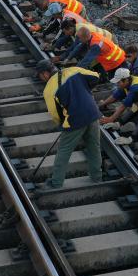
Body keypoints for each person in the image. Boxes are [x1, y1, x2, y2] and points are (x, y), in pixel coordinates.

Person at [36, 60, 103, 189]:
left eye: (39, 75)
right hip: (93, 113)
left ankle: (56, 182)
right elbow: (95, 77)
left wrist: (63, 124)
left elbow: (55, 114)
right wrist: (85, 91)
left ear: (45, 74)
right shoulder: (74, 70)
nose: (40, 78)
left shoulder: (49, 89)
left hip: (74, 119)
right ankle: (97, 177)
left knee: (64, 151)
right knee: (94, 147)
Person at [61, 26, 126, 83]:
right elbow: (79, 47)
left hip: (116, 61)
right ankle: (104, 79)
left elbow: (86, 60)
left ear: (84, 37)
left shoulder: (96, 45)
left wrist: (73, 71)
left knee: (116, 82)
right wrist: (68, 58)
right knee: (103, 70)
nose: (79, 40)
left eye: (80, 38)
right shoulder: (91, 35)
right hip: (113, 58)